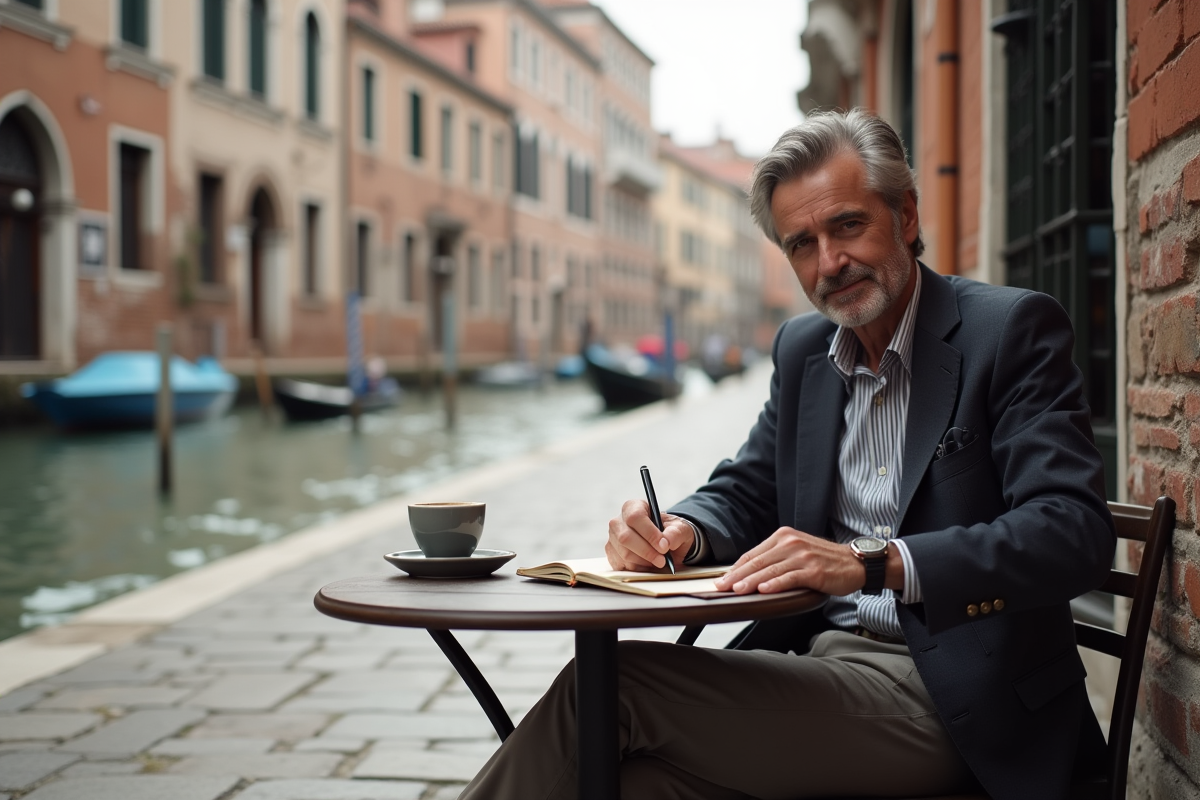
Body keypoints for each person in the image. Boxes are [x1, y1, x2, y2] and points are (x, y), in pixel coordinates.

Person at [459, 109, 1115, 800]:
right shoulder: (805, 351)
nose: (829, 262)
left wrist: (874, 563)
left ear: (908, 215)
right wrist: (684, 529)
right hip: (821, 670)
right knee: (629, 783)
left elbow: (1072, 532)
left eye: (848, 226)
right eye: (802, 243)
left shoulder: (1008, 331)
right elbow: (747, 488)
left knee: (608, 687)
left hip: (962, 703)